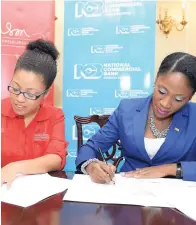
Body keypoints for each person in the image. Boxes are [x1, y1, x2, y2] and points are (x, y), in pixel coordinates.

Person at [76, 52, 196, 183]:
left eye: (178, 99)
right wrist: (91, 165)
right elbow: (91, 147)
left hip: (176, 196)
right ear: (156, 80)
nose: (165, 103)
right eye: (162, 91)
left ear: (190, 97)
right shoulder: (127, 109)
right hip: (130, 190)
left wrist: (169, 169)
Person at [1, 39, 68, 187]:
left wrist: (15, 167)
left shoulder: (55, 116)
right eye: (15, 88)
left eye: (30, 94)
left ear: (46, 93)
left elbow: (56, 159)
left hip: (38, 196)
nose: (19, 99)